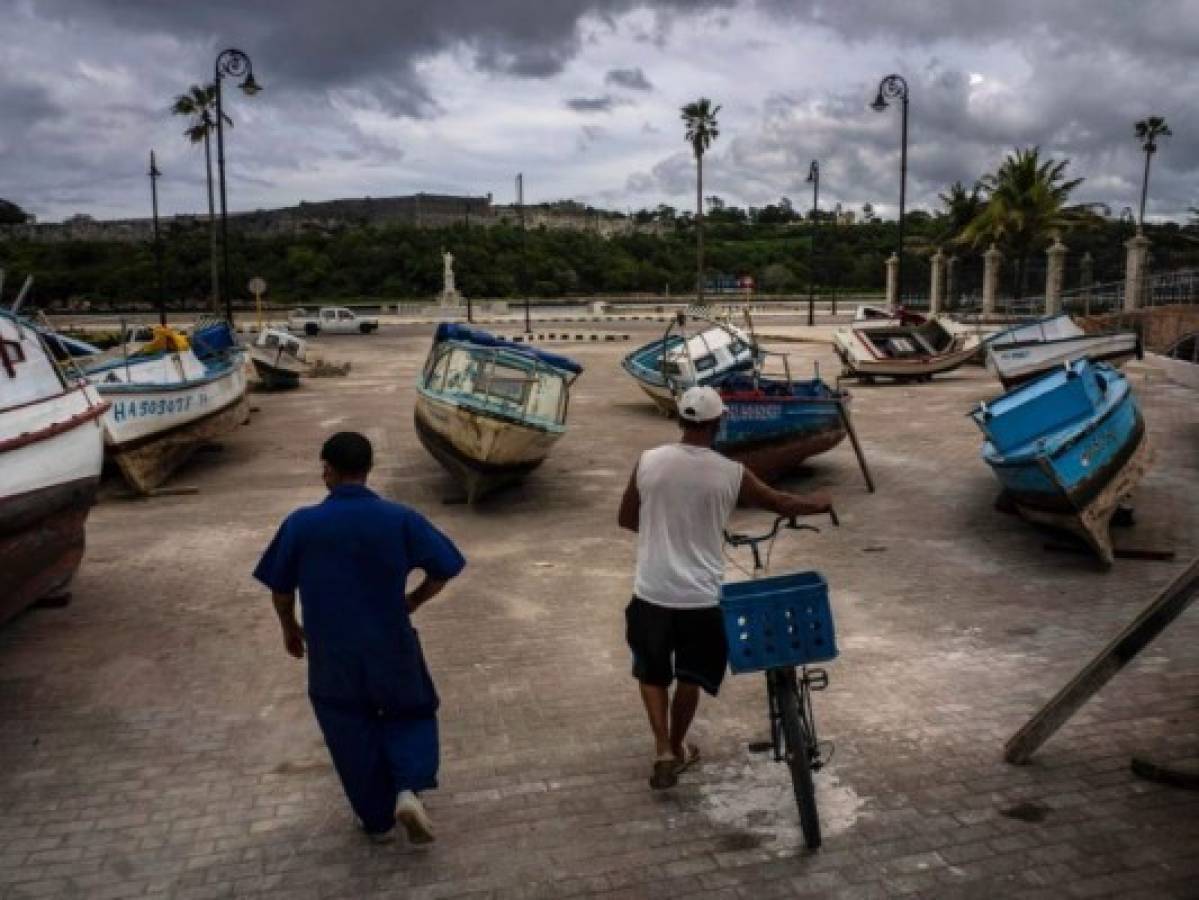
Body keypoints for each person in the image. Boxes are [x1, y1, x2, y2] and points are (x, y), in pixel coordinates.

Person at [253, 432, 466, 843]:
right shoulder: (399, 517)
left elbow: (280, 588)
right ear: (368, 470)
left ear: (327, 470)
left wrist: (290, 629)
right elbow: (446, 566)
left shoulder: (301, 524)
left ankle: (375, 816)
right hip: (391, 642)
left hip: (331, 651)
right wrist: (414, 601)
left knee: (347, 725)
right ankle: (407, 788)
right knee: (411, 711)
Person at [617, 386, 833, 789]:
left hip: (652, 590)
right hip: (700, 597)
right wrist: (818, 503)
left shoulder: (648, 462)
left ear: (681, 420)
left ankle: (663, 748)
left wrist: (665, 532)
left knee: (651, 672)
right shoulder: (730, 472)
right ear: (718, 423)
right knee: (691, 677)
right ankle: (679, 746)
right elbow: (780, 503)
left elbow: (627, 519)